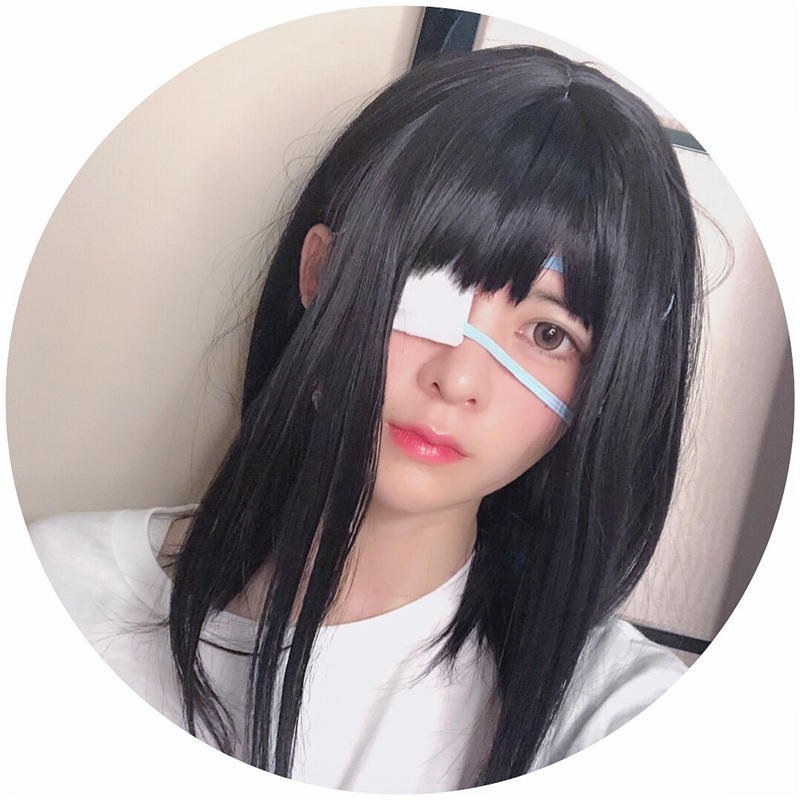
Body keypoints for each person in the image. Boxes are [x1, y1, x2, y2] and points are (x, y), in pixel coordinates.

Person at [29, 44, 701, 792]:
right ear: (321, 273)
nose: (457, 378)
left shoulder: (621, 718)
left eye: (548, 334)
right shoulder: (56, 590)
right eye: (429, 284)